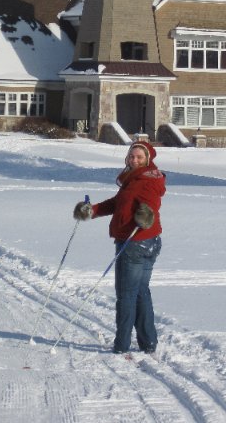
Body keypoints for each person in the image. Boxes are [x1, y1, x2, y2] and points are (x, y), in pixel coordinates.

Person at [73, 140, 165, 355]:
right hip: (148, 241)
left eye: (139, 157)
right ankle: (148, 342)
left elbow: (152, 201)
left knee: (126, 295)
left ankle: (122, 345)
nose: (134, 160)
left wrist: (147, 215)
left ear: (147, 160)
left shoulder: (146, 179)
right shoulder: (134, 179)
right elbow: (117, 203)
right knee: (140, 292)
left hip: (135, 242)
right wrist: (91, 210)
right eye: (131, 156)